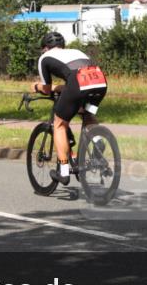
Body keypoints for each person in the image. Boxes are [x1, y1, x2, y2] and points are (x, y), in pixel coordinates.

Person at [30, 32, 108, 185]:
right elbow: (74, 82)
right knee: (87, 114)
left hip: (78, 83)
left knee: (59, 125)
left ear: (45, 47)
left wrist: (36, 86)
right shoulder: (76, 52)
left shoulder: (44, 58)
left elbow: (46, 89)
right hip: (99, 83)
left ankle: (64, 172)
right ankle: (97, 139)